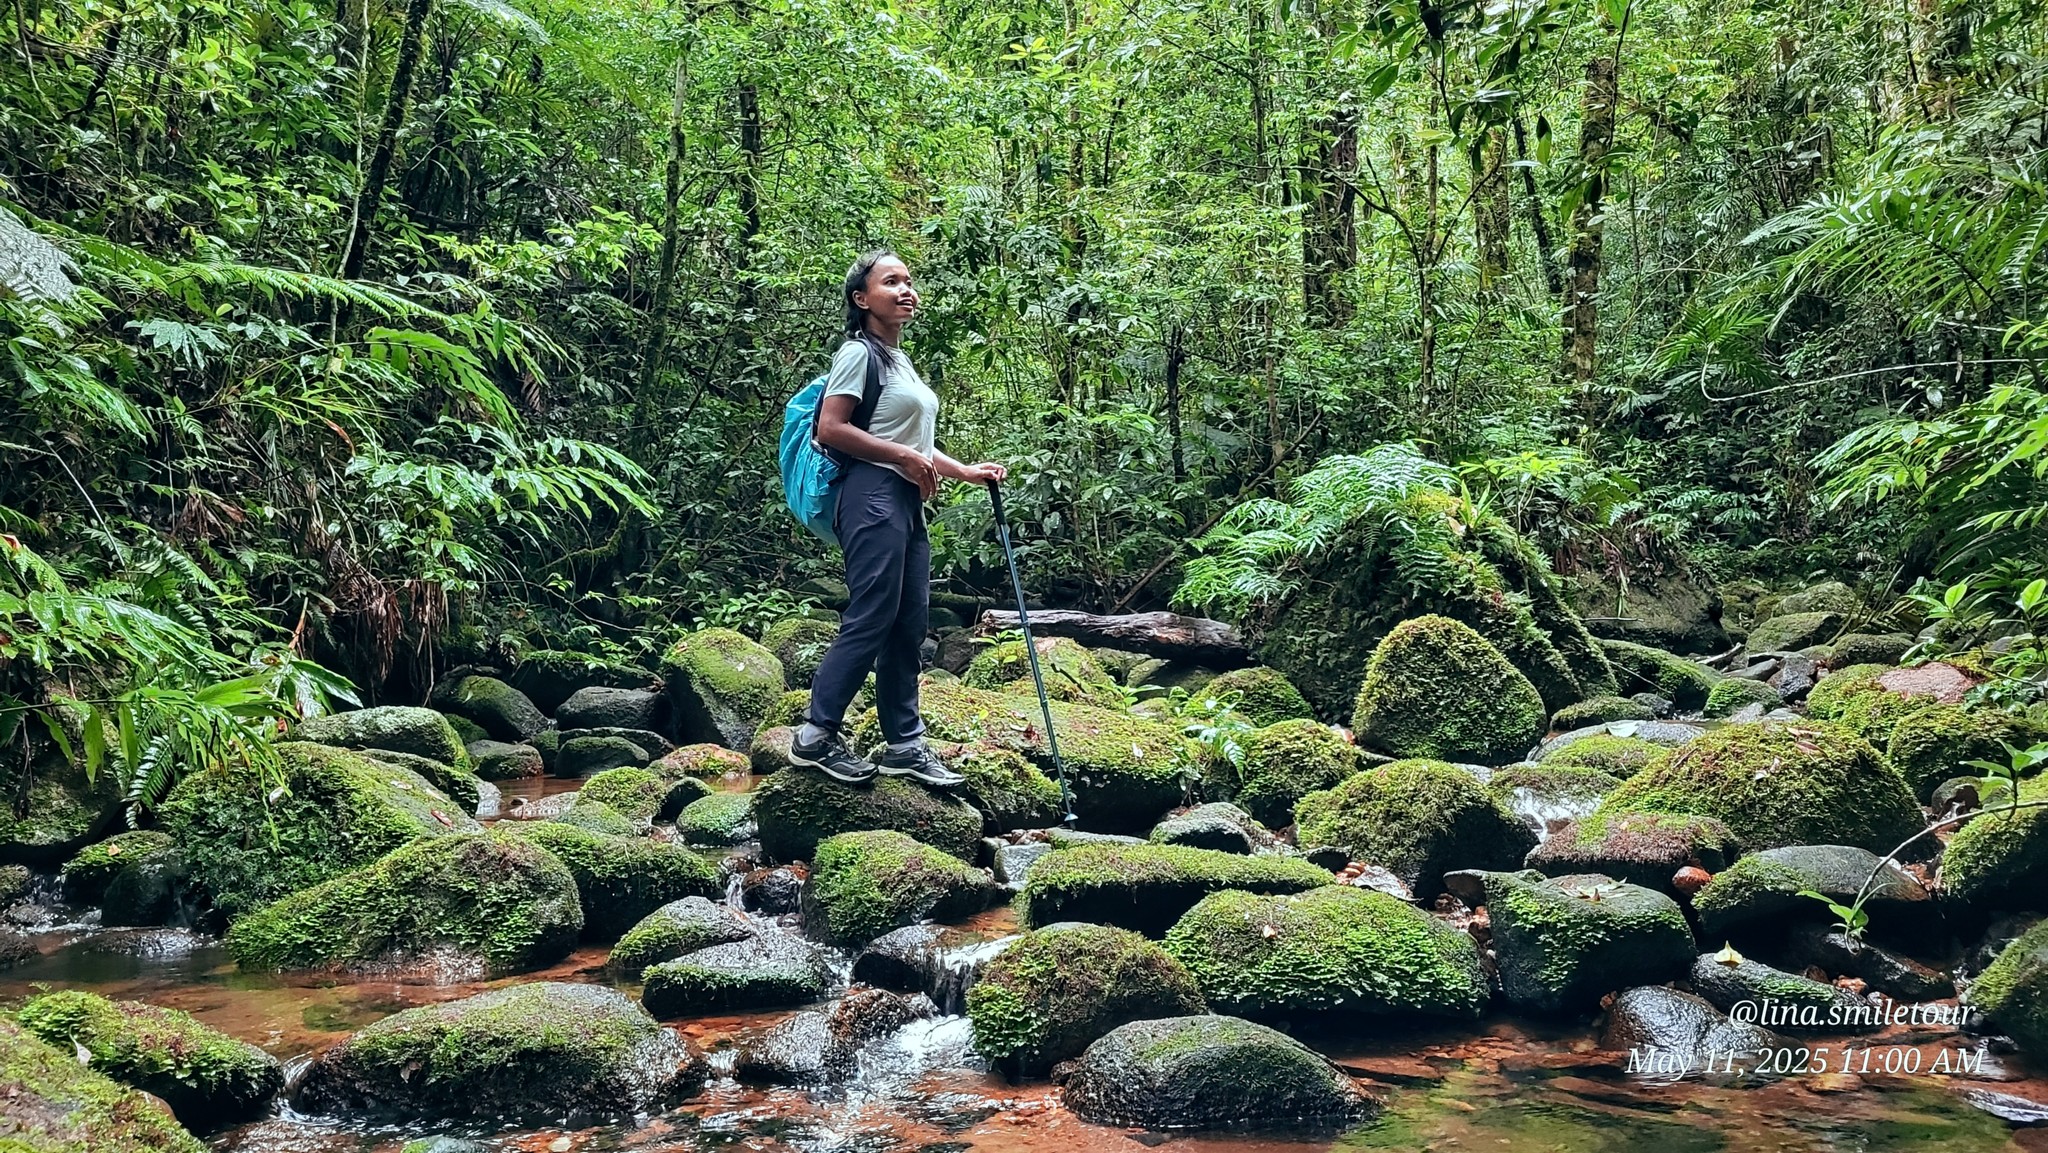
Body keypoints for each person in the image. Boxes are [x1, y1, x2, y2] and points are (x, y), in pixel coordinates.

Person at [788, 250, 1007, 786]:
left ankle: (904, 746)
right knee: (873, 612)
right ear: (862, 299)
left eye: (909, 281)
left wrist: (965, 471)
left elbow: (916, 444)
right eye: (891, 282)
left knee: (909, 621)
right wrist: (906, 459)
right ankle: (815, 737)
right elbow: (831, 429)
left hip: (904, 499)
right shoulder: (858, 354)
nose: (906, 289)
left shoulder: (898, 359)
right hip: (869, 494)